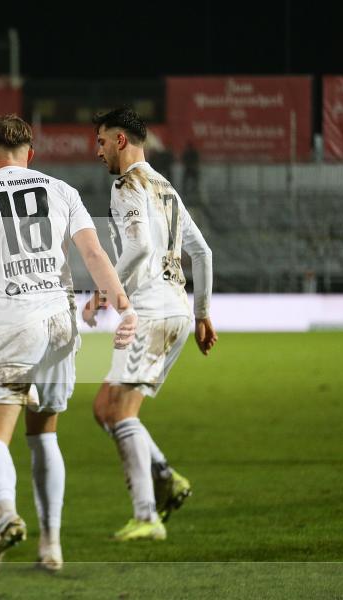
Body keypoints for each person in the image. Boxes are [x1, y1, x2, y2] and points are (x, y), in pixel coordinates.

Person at [0, 114, 137, 581]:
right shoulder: (62, 190)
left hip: (12, 325)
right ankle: (51, 546)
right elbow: (94, 254)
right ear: (30, 154)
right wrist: (124, 307)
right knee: (44, 433)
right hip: (59, 325)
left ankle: (6, 516)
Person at [83, 107, 217, 542]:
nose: (97, 150)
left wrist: (105, 289)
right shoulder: (165, 188)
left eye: (102, 141)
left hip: (151, 312)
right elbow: (204, 254)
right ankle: (165, 476)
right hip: (175, 311)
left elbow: (138, 248)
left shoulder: (127, 185)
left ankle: (147, 516)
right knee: (105, 407)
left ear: (121, 140)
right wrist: (201, 315)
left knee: (121, 412)